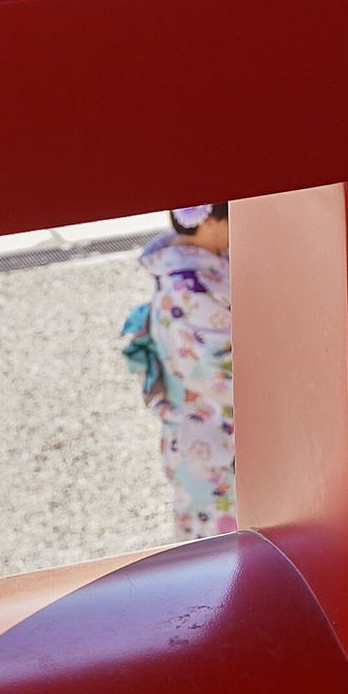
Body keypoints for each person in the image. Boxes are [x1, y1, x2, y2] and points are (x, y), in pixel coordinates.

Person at [119, 205, 235, 540]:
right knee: (222, 538)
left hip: (210, 424)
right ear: (208, 220)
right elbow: (220, 373)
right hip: (209, 432)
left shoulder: (195, 267)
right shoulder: (187, 287)